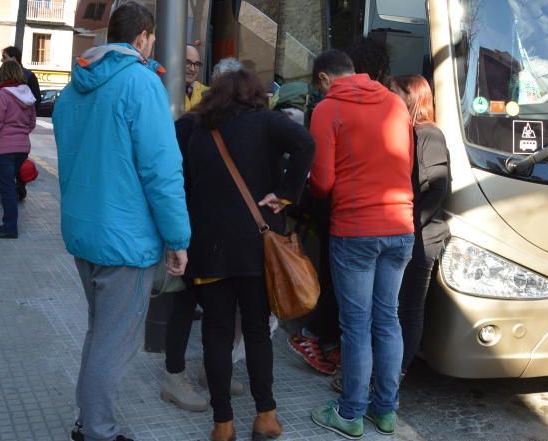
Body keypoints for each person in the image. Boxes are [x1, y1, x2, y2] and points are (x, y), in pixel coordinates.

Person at [53, 0, 191, 441]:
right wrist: (178, 237)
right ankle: (98, 430)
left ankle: (87, 420)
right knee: (116, 342)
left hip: (85, 230)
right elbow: (161, 169)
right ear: (143, 37)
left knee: (101, 332)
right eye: (151, 39)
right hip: (125, 239)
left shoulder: (76, 88)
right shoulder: (141, 83)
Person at [176, 68, 315, 441]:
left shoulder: (197, 129)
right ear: (254, 94)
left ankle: (223, 424)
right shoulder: (268, 123)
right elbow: (306, 144)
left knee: (216, 333)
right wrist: (286, 193)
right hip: (256, 247)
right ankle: (265, 416)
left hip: (208, 249)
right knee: (256, 331)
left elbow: (186, 184)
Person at [307, 49, 414, 439]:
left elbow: (322, 182)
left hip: (355, 229)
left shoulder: (328, 108)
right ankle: (385, 411)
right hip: (401, 226)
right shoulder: (395, 103)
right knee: (388, 319)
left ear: (323, 79)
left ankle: (350, 413)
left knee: (356, 326)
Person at [161, 54, 244, 414]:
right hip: (191, 230)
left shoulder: (235, 125)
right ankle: (173, 376)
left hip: (217, 232)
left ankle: (212, 370)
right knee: (183, 303)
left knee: (217, 305)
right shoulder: (190, 126)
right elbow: (173, 181)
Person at [387, 75, 450, 380]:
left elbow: (438, 188)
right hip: (406, 233)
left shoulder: (429, 135)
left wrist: (410, 225)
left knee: (408, 309)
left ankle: (395, 374)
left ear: (412, 98)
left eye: (394, 93)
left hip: (420, 238)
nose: (388, 98)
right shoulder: (409, 132)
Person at [0, 60, 37, 239]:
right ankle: (9, 224)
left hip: (2, 148)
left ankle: (9, 227)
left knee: (6, 188)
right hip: (22, 148)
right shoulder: (27, 95)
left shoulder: (2, 94)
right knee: (10, 185)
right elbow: (31, 123)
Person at [2, 46, 41, 200]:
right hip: (16, 129)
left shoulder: (28, 76)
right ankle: (11, 186)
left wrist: (25, 116)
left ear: (14, 58)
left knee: (15, 159)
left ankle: (19, 187)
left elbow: (35, 99)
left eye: (4, 57)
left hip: (16, 128)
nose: (2, 61)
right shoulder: (4, 75)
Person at [184, 44, 208, 111]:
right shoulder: (165, 91)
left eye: (197, 64)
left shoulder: (207, 93)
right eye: (187, 62)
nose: (193, 69)